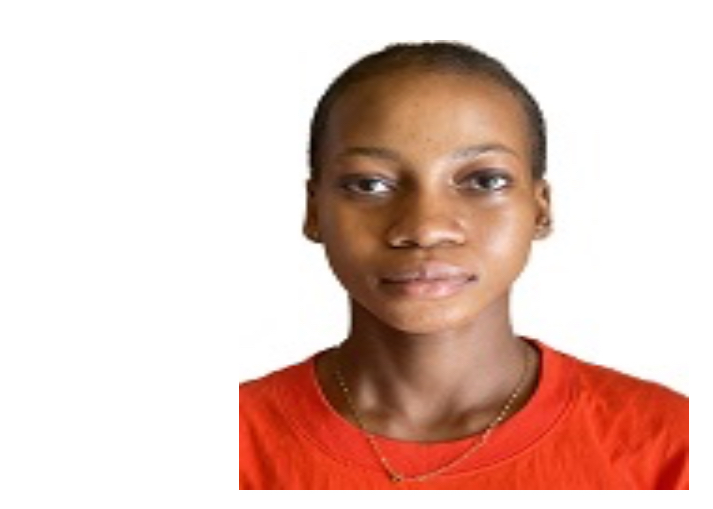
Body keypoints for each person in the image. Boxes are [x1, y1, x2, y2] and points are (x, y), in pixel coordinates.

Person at [239, 41, 689, 489]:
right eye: (369, 184)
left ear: (540, 209)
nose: (426, 228)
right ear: (314, 210)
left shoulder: (670, 444)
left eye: (484, 181)